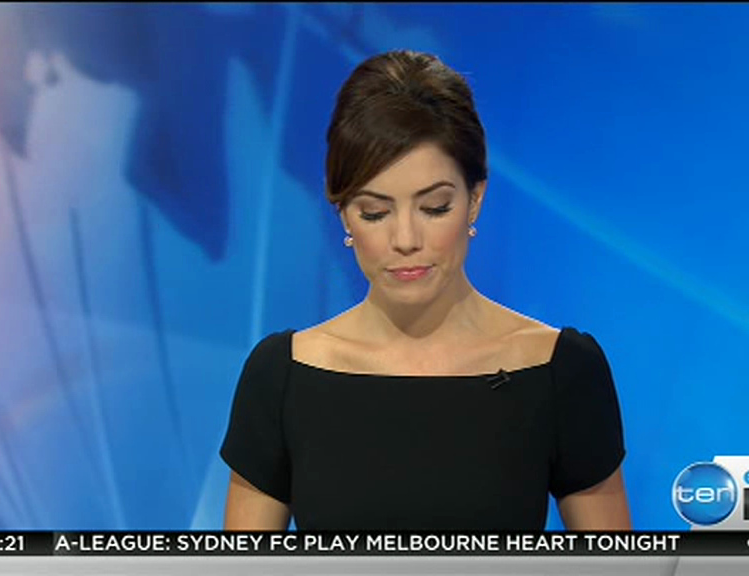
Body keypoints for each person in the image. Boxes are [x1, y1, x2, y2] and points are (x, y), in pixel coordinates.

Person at [220, 50, 631, 531]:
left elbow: (615, 560)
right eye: (375, 212)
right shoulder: (282, 379)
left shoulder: (561, 371)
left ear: (475, 199)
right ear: (343, 212)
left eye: (434, 207)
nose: (406, 239)